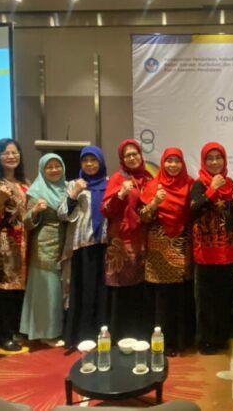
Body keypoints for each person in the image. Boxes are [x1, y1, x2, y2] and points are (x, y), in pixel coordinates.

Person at [140, 147, 195, 356]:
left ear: (182, 163)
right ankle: (165, 342)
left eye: (176, 161)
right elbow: (143, 217)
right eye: (169, 161)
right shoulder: (153, 185)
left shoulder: (190, 183)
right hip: (159, 247)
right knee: (163, 298)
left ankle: (183, 340)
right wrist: (155, 202)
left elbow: (195, 210)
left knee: (182, 294)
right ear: (163, 163)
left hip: (182, 244)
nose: (173, 165)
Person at [101, 139, 152, 342]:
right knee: (121, 290)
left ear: (141, 155)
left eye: (135, 154)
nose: (132, 158)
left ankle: (140, 334)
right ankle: (120, 336)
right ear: (122, 159)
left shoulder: (148, 178)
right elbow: (106, 210)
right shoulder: (118, 178)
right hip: (121, 241)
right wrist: (121, 193)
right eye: (127, 155)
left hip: (143, 241)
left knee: (140, 290)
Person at [59, 145, 108, 348]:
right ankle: (82, 335)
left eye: (93, 160)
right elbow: (63, 214)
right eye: (85, 160)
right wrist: (74, 194)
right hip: (82, 245)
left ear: (101, 162)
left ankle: (102, 334)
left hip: (104, 244)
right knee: (84, 291)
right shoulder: (74, 184)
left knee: (102, 292)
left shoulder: (109, 183)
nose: (89, 164)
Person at [189, 142, 233, 354]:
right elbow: (194, 210)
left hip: (226, 250)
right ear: (204, 161)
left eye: (218, 157)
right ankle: (207, 339)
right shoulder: (199, 184)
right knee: (206, 298)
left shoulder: (231, 184)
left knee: (223, 296)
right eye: (210, 158)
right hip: (206, 251)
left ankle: (221, 337)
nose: (215, 162)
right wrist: (212, 189)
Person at [20, 154, 69, 347]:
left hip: (65, 242)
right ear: (42, 170)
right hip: (44, 244)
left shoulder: (67, 187)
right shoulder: (36, 191)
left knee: (59, 290)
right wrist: (35, 211)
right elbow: (26, 222)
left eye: (58, 166)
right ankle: (45, 333)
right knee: (46, 290)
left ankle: (56, 328)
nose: (54, 170)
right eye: (49, 167)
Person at [0, 138, 29, 352]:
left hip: (25, 242)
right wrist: (1, 200)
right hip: (5, 243)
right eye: (6, 153)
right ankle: (3, 334)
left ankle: (17, 329)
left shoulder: (24, 183)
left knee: (20, 288)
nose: (11, 156)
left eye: (14, 152)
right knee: (6, 289)